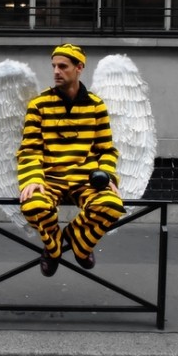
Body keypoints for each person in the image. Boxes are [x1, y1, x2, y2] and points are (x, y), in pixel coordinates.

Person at [17, 44, 124, 276]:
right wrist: (33, 179)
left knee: (113, 205)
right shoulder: (39, 105)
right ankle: (59, 249)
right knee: (33, 205)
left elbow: (106, 149)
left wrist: (106, 176)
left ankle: (72, 243)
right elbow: (29, 149)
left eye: (63, 66)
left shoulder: (96, 106)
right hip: (50, 179)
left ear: (79, 68)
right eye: (54, 66)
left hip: (86, 179)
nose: (56, 71)